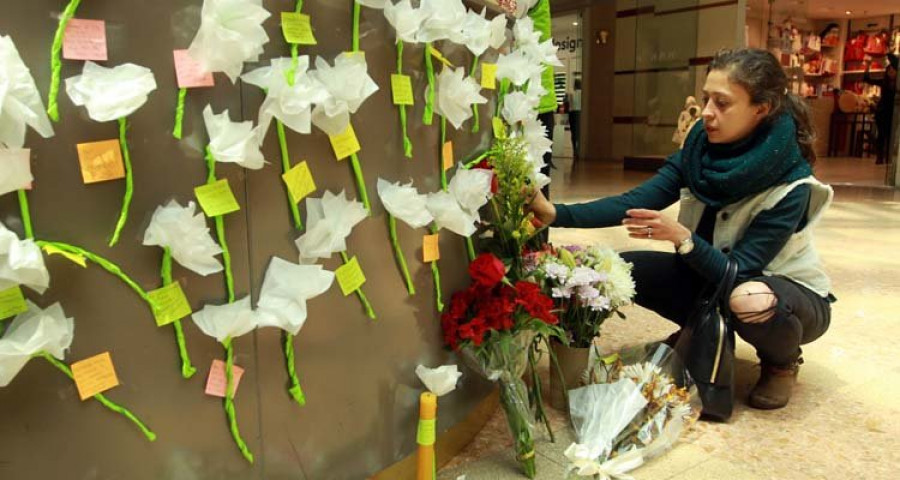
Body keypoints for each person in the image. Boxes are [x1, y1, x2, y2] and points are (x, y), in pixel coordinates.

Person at [528, 48, 834, 410]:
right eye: (707, 99)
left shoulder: (791, 184)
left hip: (785, 295)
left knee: (749, 298)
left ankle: (781, 363)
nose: (707, 112)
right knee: (618, 271)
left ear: (761, 109)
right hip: (712, 276)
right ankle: (698, 332)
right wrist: (556, 213)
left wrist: (683, 239)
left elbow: (739, 270)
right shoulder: (700, 147)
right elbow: (642, 197)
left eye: (722, 103)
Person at [863, 53, 897, 164]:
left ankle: (889, 157)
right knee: (881, 135)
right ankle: (880, 157)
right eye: (889, 70)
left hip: (894, 113)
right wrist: (868, 66)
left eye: (893, 70)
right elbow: (867, 79)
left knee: (891, 135)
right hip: (882, 112)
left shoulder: (898, 84)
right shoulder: (883, 82)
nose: (891, 72)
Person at [568, 79, 582, 159]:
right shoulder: (583, 94)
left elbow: (569, 106)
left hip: (572, 113)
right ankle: (579, 150)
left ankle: (574, 151)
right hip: (581, 113)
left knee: (573, 133)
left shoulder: (571, 94)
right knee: (580, 133)